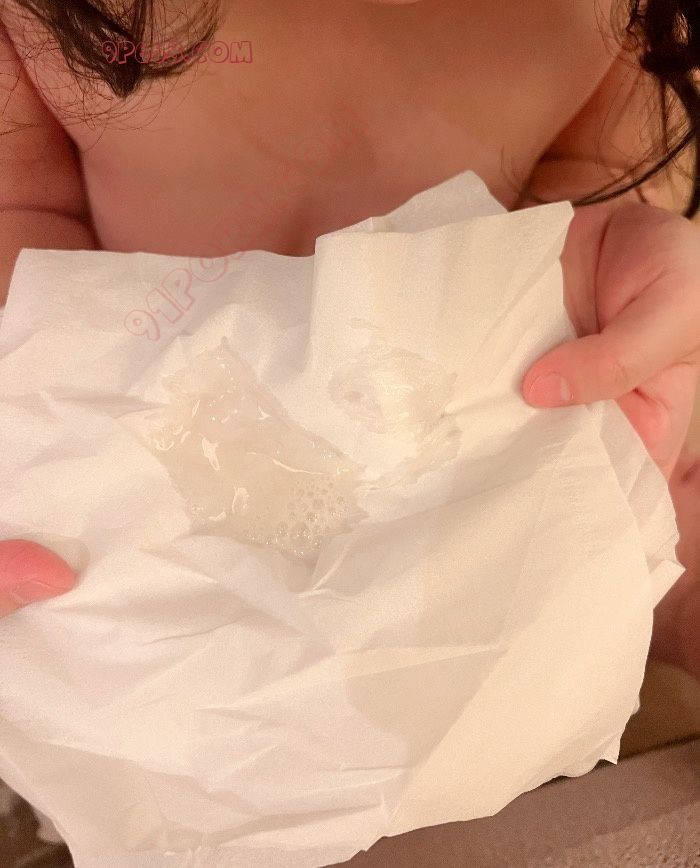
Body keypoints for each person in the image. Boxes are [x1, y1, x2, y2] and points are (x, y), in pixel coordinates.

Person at [0, 0, 698, 679]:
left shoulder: (629, 20)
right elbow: (24, 202)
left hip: (470, 411)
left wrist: (595, 258)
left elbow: (596, 164)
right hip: (139, 403)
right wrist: (49, 425)